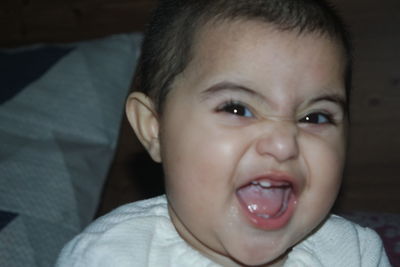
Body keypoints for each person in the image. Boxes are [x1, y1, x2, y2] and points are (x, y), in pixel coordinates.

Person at [56, 0, 391, 266]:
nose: (283, 143)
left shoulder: (355, 254)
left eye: (315, 117)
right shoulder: (108, 256)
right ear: (154, 128)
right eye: (237, 109)